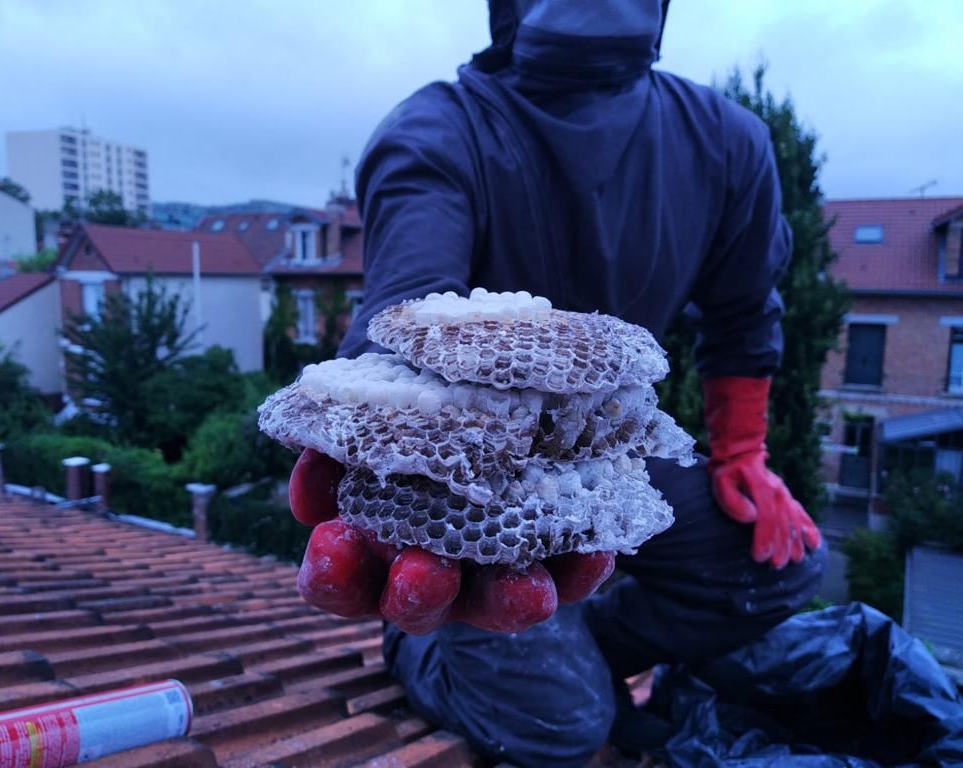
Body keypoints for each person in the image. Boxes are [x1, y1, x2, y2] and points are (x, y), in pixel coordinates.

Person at [288, 1, 828, 765]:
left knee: (778, 567)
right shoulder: (439, 133)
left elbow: (743, 311)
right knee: (559, 729)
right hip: (466, 487)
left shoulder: (725, 141)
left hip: (602, 458)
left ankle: (580, 648)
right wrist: (368, 447)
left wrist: (743, 449)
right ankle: (425, 646)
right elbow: (404, 315)